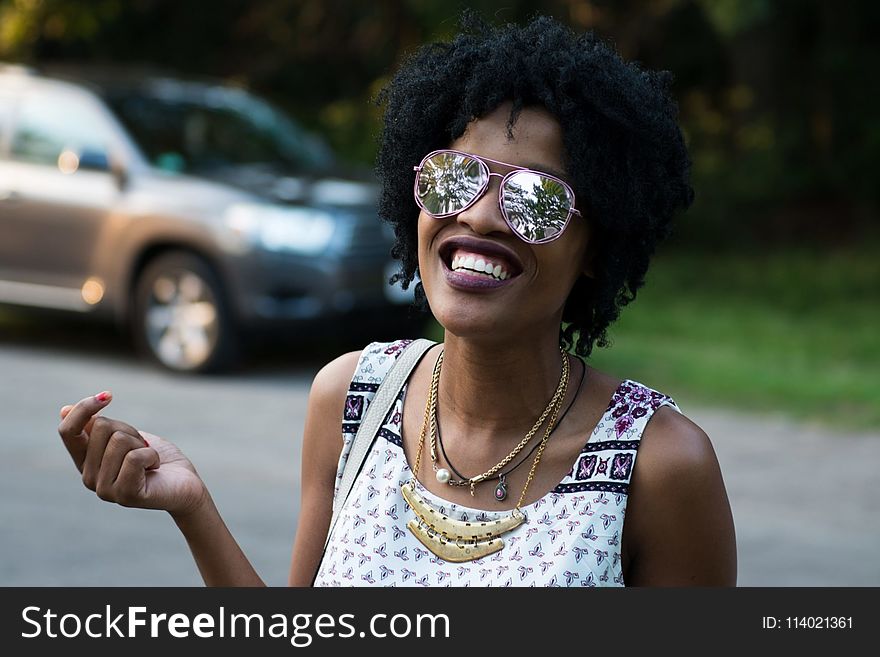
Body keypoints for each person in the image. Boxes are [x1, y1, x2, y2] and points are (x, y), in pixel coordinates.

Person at [58, 14, 736, 587]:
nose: (479, 216)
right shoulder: (352, 398)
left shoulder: (660, 467)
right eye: (454, 177)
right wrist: (193, 506)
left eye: (535, 199)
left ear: (595, 249)